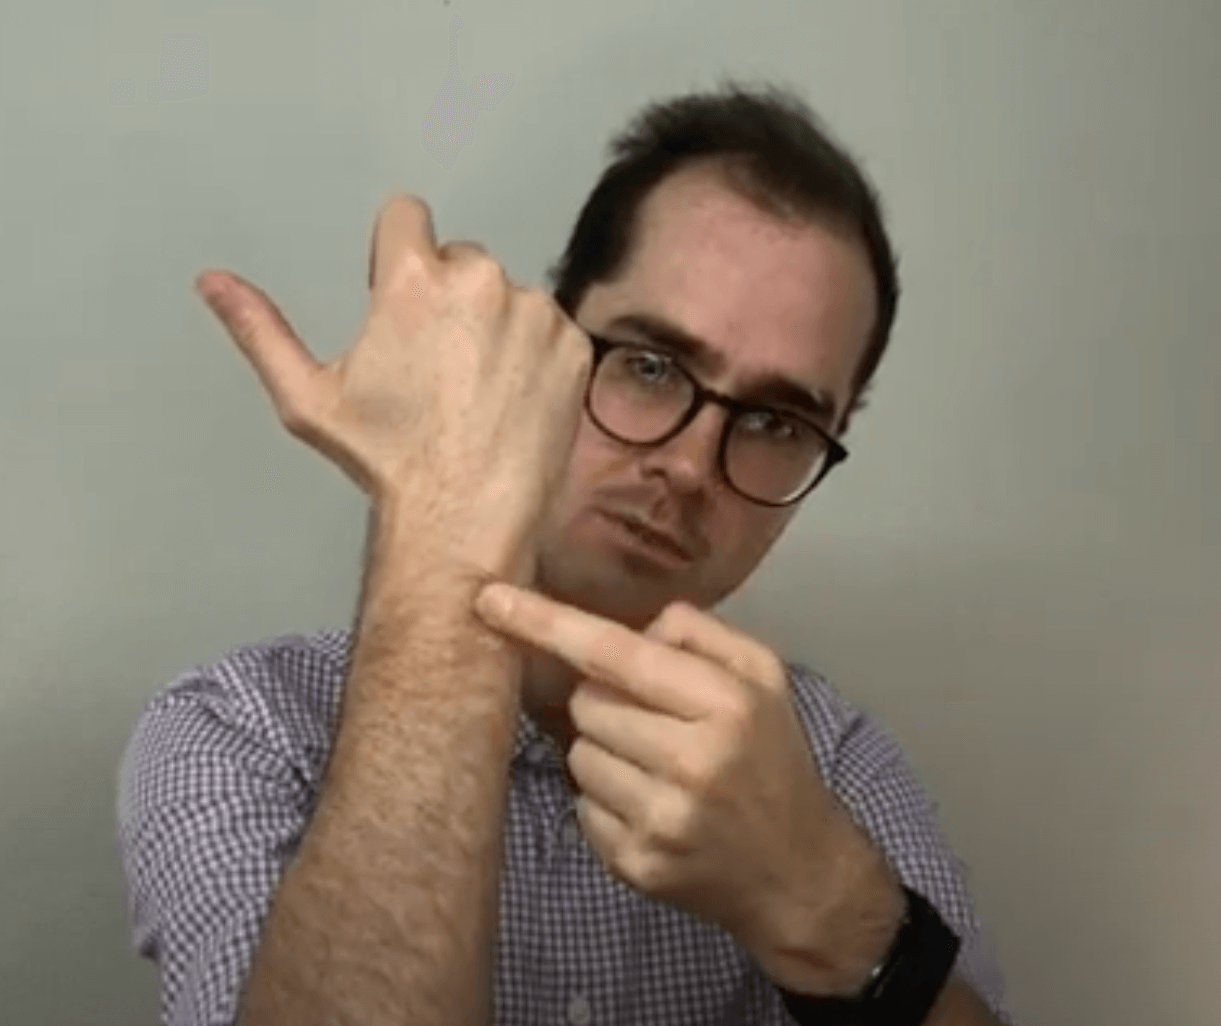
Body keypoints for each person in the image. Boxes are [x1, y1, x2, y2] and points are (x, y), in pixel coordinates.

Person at [118, 81, 1013, 1026]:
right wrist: (442, 520)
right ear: (543, 348)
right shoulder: (245, 726)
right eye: (650, 365)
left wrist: (822, 903)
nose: (688, 466)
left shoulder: (830, 766)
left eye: (775, 422)